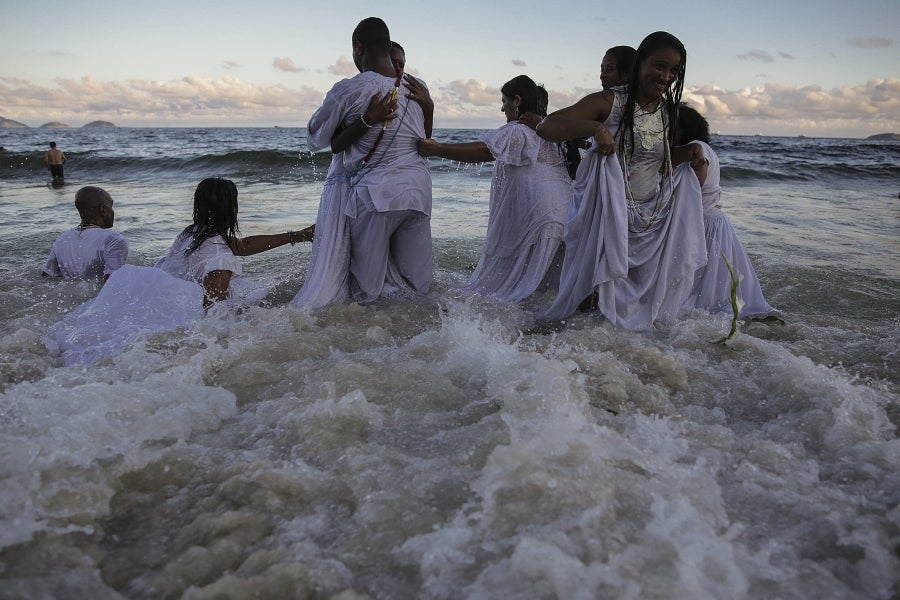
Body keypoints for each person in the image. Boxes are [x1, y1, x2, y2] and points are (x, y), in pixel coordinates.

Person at [535, 31, 708, 331]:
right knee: (589, 294)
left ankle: (617, 355)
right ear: (640, 62)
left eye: (673, 71)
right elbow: (547, 126)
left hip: (647, 219)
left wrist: (690, 151)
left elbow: (658, 162)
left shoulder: (668, 113)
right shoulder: (610, 101)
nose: (666, 76)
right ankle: (566, 351)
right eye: (659, 66)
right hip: (602, 214)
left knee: (631, 304)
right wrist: (595, 128)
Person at [298, 17, 432, 306]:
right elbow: (424, 142)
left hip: (377, 196)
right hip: (419, 193)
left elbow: (315, 138)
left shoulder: (351, 89)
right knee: (417, 284)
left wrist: (362, 121)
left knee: (366, 290)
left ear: (359, 48)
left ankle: (370, 344)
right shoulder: (418, 86)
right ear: (387, 46)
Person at [418, 75, 571, 303]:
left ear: (517, 101)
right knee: (546, 292)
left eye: (504, 101)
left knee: (502, 295)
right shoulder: (554, 137)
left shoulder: (517, 130)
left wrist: (438, 148)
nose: (502, 108)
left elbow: (484, 150)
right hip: (564, 215)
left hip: (539, 219)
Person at [676, 105, 781, 319]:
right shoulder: (704, 147)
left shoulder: (696, 148)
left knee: (699, 291)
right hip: (714, 223)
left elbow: (696, 181)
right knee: (711, 286)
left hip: (704, 226)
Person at [157, 178, 314, 308]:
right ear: (231, 210)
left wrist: (298, 236)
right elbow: (212, 315)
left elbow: (244, 246)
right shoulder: (220, 260)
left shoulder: (191, 234)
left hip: (171, 300)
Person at [563, 45, 638, 180]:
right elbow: (548, 125)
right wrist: (596, 128)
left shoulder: (658, 108)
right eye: (602, 69)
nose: (602, 75)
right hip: (607, 192)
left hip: (651, 197)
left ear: (627, 73)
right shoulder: (604, 101)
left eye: (609, 69)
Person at [42, 186, 128, 282]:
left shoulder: (62, 239)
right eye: (111, 206)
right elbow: (113, 283)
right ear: (103, 210)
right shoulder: (114, 240)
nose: (113, 211)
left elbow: (47, 278)